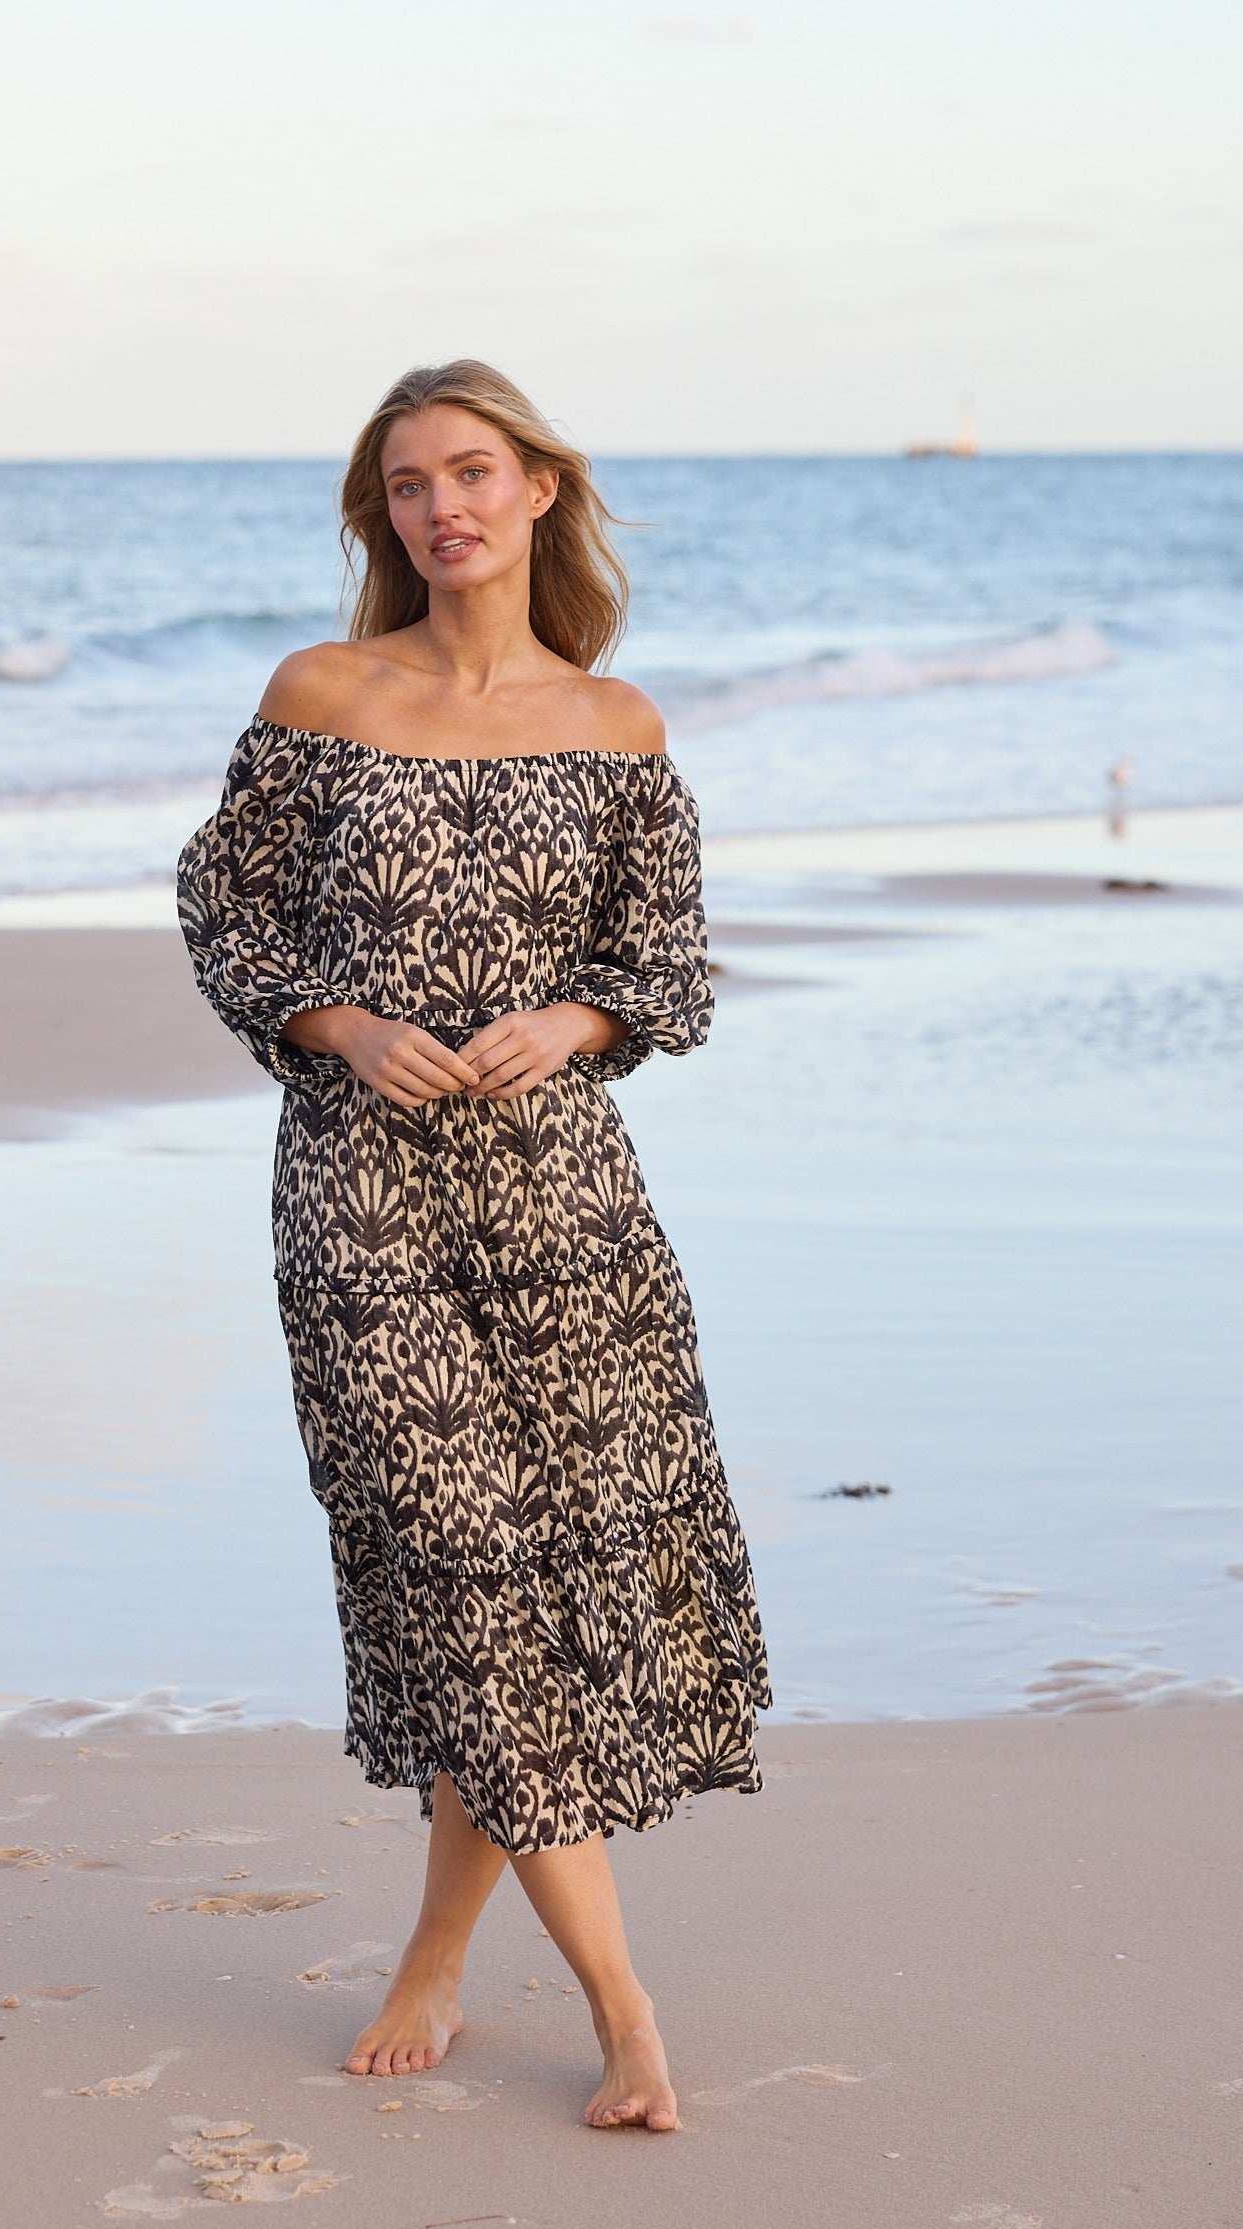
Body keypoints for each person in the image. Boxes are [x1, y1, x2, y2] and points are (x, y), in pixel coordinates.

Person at [177, 360, 770, 2132]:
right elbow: (224, 906)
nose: (441, 506)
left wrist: (575, 1023)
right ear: (386, 521)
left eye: (471, 472)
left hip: (564, 1208)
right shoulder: (321, 692)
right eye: (407, 486)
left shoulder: (616, 725)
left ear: (534, 491)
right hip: (362, 1199)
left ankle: (435, 1958)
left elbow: (663, 963)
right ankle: (625, 2012)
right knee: (461, 1574)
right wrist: (341, 1026)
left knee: (520, 1600)